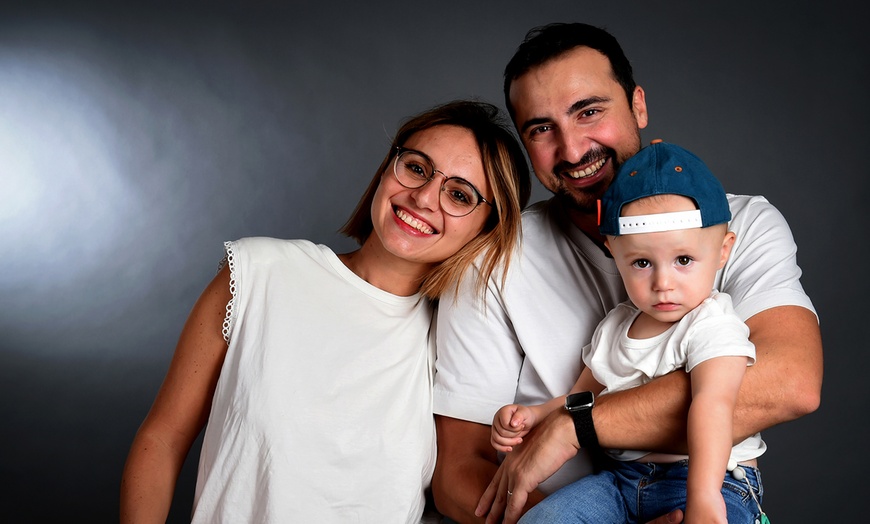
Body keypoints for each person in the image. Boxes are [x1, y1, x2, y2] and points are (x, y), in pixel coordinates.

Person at [431, 23, 822, 524]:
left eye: (589, 111)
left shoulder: (740, 223)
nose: (572, 151)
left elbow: (789, 381)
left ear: (637, 104)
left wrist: (578, 427)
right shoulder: (493, 261)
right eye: (541, 128)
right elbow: (459, 472)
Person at [119, 100, 531, 523]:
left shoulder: (462, 345)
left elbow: (461, 483)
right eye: (417, 168)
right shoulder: (258, 273)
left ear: (487, 228)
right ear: (388, 169)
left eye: (459, 195)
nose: (424, 197)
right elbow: (164, 437)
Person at [493, 141, 766, 524]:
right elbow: (581, 398)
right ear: (613, 251)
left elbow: (714, 405)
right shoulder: (617, 326)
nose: (663, 283)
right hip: (619, 482)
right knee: (544, 518)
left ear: (723, 251)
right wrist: (534, 414)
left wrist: (703, 497)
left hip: (711, 478)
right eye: (641, 262)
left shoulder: (712, 323)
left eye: (683, 260)